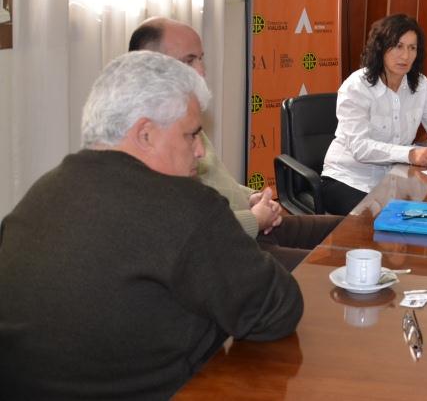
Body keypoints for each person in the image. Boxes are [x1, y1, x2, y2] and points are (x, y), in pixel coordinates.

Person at [0, 52, 303, 399]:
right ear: (145, 134)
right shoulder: (184, 206)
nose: (200, 152)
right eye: (192, 135)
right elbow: (279, 307)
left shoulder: (40, 193)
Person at [130, 17, 342, 271]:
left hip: (250, 227)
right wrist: (254, 219)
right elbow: (190, 232)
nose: (201, 71)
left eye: (201, 59)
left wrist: (251, 197)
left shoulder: (184, 117)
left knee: (346, 229)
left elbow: (218, 182)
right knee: (329, 271)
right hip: (229, 248)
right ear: (151, 69)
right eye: (188, 61)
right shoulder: (152, 138)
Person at [320, 13, 427, 214]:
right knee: (382, 222)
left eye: (412, 48)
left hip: (396, 178)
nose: (405, 56)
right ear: (381, 48)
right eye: (398, 46)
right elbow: (360, 147)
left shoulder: (420, 84)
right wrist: (410, 154)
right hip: (349, 179)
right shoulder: (356, 87)